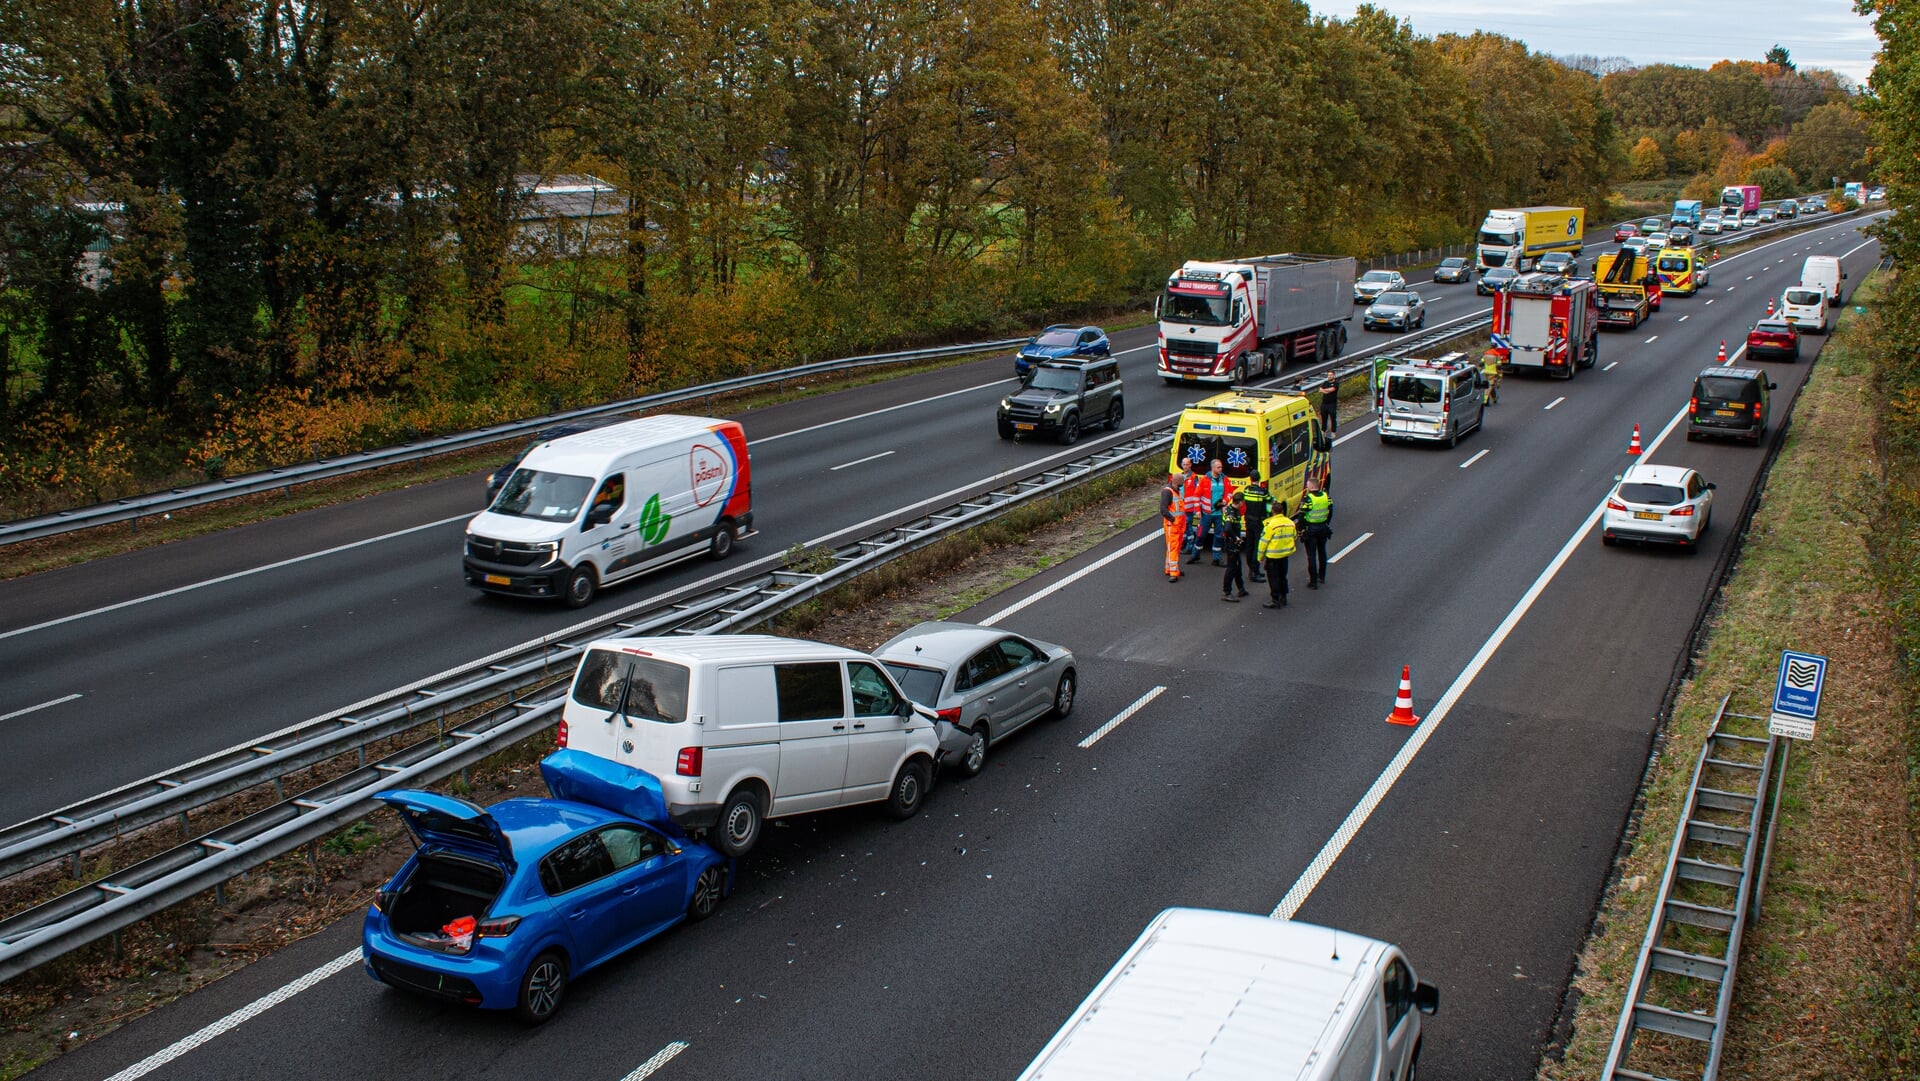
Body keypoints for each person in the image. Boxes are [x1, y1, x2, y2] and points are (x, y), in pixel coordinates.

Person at [1258, 501, 1297, 608]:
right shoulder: (1290, 522)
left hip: (1273, 556)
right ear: (1282, 511)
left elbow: (1263, 542)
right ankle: (1283, 597)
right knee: (1282, 576)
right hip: (1285, 555)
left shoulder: (1270, 525)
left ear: (1272, 511)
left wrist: (1260, 557)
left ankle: (1275, 599)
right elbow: (1294, 536)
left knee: (1273, 578)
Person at [1300, 477, 1333, 589]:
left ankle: (1313, 582)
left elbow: (1302, 516)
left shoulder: (1308, 499)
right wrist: (1326, 523)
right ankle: (1322, 576)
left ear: (1312, 486)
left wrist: (1300, 530)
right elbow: (1330, 510)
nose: (1306, 486)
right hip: (1323, 528)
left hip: (1311, 529)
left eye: (1307, 485)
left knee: (1311, 555)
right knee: (1322, 552)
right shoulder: (1326, 496)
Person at [1239, 469, 1271, 582]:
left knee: (1249, 545)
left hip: (1248, 520)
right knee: (1257, 547)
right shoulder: (1263, 492)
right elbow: (1270, 502)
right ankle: (1254, 571)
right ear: (1259, 478)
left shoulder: (1246, 490)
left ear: (1250, 479)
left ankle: (1251, 569)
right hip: (1259, 521)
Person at [1219, 496, 1249, 601]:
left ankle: (1241, 588)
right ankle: (1226, 592)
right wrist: (1235, 538)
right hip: (1232, 544)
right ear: (1240, 502)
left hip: (1233, 543)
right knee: (1232, 568)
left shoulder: (1231, 509)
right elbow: (1227, 528)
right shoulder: (1231, 513)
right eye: (1243, 502)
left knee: (1237, 566)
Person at [1159, 473, 1186, 583]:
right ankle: (1173, 573)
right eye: (1182, 481)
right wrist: (1173, 520)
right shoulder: (1167, 492)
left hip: (1178, 525)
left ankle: (1169, 568)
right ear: (1176, 481)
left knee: (1174, 547)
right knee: (1173, 548)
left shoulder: (1176, 491)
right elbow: (1163, 509)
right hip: (1172, 525)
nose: (1183, 483)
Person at [1180, 457, 1208, 558]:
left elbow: (1197, 492)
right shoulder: (1180, 476)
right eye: (1184, 464)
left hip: (1189, 508)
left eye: (1187, 464)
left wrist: (1197, 507)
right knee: (1183, 527)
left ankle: (1189, 546)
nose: (1185, 466)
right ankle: (1183, 543)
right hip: (1182, 507)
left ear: (1190, 465)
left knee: (1188, 527)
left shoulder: (1193, 477)